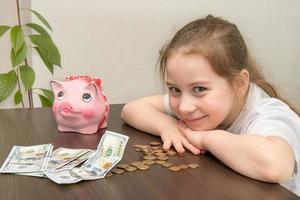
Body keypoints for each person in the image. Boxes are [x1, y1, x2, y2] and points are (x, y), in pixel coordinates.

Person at [121, 15, 300, 195]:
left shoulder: (267, 114)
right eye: (174, 89)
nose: (184, 107)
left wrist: (206, 139)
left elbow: (275, 165)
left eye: (199, 89)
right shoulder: (200, 101)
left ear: (239, 84)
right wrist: (168, 127)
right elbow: (132, 109)